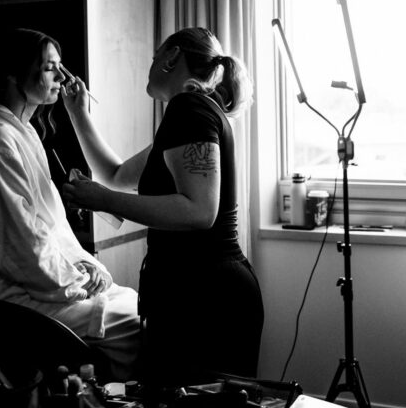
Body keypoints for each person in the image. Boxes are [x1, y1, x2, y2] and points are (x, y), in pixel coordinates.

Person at [60, 27, 263, 387]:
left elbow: (200, 211)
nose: (151, 64)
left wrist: (102, 200)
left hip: (205, 298)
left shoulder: (189, 109)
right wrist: (78, 113)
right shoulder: (190, 113)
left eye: (156, 55)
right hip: (201, 292)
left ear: (172, 57)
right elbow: (118, 175)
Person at [0, 28, 141, 382]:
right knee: (133, 323)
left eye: (60, 66)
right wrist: (77, 280)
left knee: (138, 305)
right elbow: (19, 244)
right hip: (8, 292)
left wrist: (84, 263)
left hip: (41, 278)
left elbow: (52, 228)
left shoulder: (24, 132)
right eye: (50, 67)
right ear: (14, 75)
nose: (63, 77)